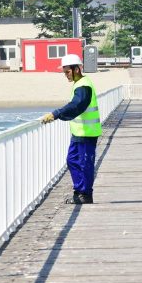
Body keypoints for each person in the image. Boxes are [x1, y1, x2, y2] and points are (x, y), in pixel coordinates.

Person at [41, 54, 101, 204]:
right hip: (78, 132)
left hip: (86, 133)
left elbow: (76, 105)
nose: (65, 75)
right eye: (64, 72)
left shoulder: (83, 86)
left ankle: (85, 194)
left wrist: (56, 114)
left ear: (77, 69)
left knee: (84, 163)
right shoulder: (79, 84)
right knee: (73, 160)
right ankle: (79, 192)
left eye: (67, 71)